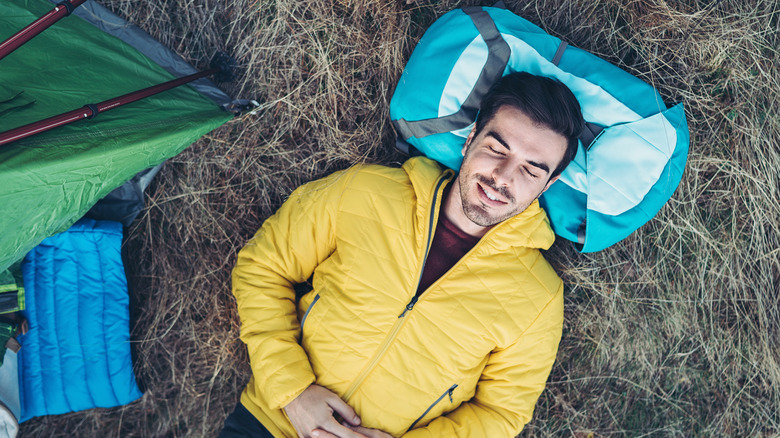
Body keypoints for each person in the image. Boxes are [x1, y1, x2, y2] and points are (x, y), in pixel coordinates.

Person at [221, 72, 584, 438]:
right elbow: (263, 268)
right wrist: (293, 392)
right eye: (496, 149)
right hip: (267, 423)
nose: (503, 177)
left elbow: (501, 413)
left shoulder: (539, 298)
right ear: (470, 138)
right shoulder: (364, 190)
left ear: (547, 185)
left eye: (530, 169)